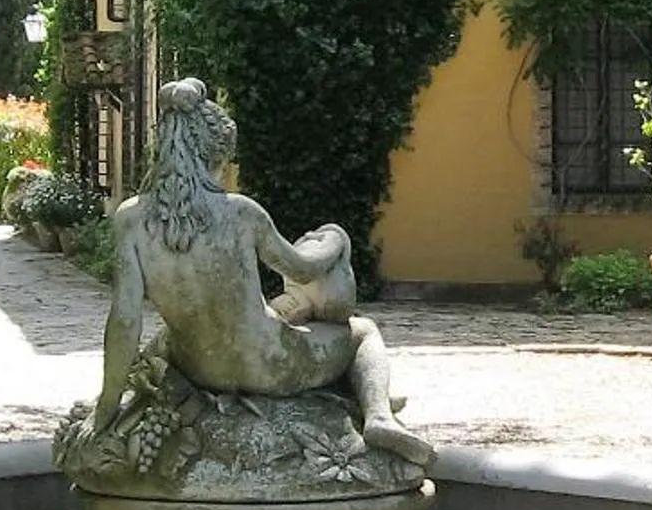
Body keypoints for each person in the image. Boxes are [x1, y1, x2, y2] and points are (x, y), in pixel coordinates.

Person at [91, 79, 430, 464]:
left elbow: (124, 320)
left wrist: (106, 405)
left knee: (171, 338)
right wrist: (336, 238)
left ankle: (367, 396)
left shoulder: (131, 219)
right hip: (268, 365)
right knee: (363, 332)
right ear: (216, 157)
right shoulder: (242, 214)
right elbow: (304, 269)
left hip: (198, 367)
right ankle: (379, 416)